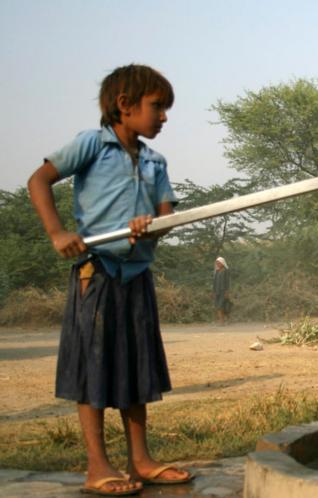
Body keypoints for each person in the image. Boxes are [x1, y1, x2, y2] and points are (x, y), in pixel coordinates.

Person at [27, 64, 193, 496]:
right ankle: (97, 466)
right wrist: (58, 233)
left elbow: (166, 217)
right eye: (157, 107)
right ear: (124, 105)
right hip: (96, 271)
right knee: (95, 367)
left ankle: (140, 459)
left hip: (137, 273)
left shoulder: (156, 160)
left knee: (138, 365)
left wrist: (152, 225)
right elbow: (39, 180)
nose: (164, 117)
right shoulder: (91, 145)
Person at [213, 256, 231, 325]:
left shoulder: (226, 271)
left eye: (219, 263)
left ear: (222, 263)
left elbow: (228, 282)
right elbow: (214, 282)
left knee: (221, 306)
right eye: (217, 263)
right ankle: (222, 320)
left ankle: (222, 321)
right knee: (218, 306)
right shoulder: (217, 271)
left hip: (223, 291)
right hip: (217, 291)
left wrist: (227, 291)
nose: (217, 264)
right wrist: (214, 291)